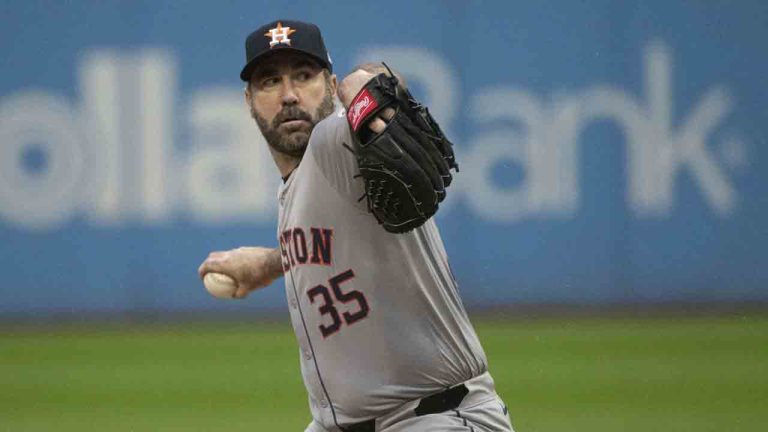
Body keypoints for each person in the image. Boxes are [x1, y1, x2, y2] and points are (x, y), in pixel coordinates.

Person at [198, 19, 514, 432]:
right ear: (249, 100)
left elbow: (386, 81)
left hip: (435, 418)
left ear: (330, 86)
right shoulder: (296, 185)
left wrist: (368, 84)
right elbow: (335, 242)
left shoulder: (337, 142)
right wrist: (272, 263)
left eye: (304, 76)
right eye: (270, 81)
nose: (290, 95)